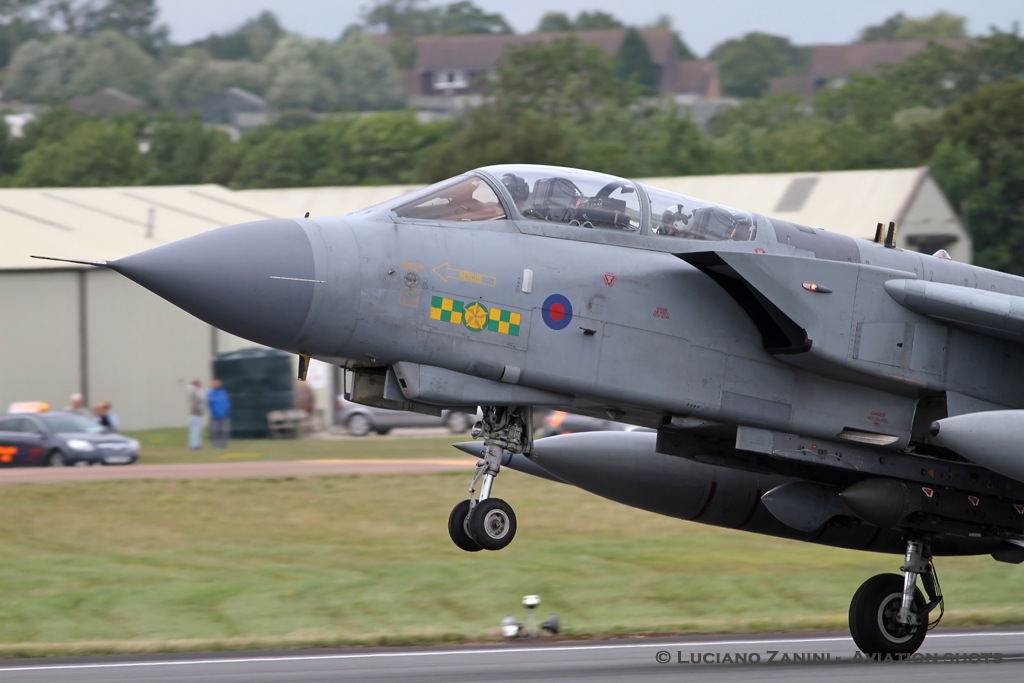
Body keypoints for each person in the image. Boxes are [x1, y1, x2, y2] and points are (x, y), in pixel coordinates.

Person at [206, 378, 232, 448]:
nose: (217, 384)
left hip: (224, 415)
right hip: (215, 416)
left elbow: (227, 403)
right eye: (215, 383)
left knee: (225, 430)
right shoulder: (210, 393)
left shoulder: (223, 392)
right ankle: (216, 445)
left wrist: (226, 410)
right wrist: (214, 411)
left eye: (218, 383)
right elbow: (209, 404)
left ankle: (224, 444)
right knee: (215, 431)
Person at [187, 379, 204, 449]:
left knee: (197, 430)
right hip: (195, 413)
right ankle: (193, 445)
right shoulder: (194, 392)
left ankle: (197, 444)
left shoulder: (197, 392)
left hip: (197, 413)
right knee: (195, 430)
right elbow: (195, 403)